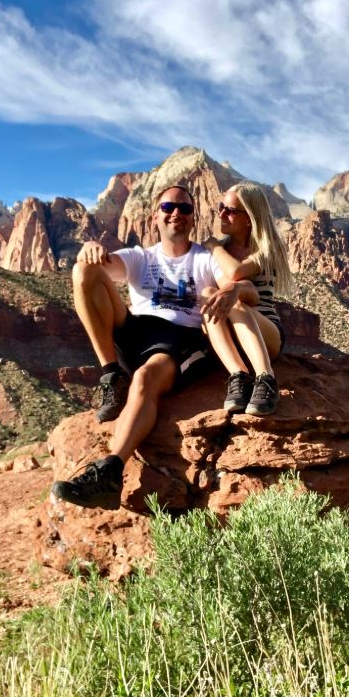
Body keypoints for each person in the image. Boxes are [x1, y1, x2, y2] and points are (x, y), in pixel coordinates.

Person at [51, 185, 257, 509]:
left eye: (185, 209)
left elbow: (238, 285)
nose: (176, 213)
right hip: (136, 331)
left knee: (146, 379)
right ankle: (111, 375)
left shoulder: (204, 259)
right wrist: (89, 248)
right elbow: (101, 266)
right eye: (168, 207)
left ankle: (109, 472)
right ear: (154, 217)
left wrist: (236, 289)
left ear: (193, 219)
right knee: (82, 271)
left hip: (179, 340)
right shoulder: (140, 257)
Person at [200, 182, 294, 416]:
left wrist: (213, 246)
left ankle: (266, 377)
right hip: (229, 336)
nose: (221, 214)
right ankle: (238, 375)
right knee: (208, 295)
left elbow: (236, 272)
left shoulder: (267, 248)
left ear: (249, 219)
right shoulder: (219, 251)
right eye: (221, 207)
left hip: (266, 333)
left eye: (230, 211)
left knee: (234, 298)